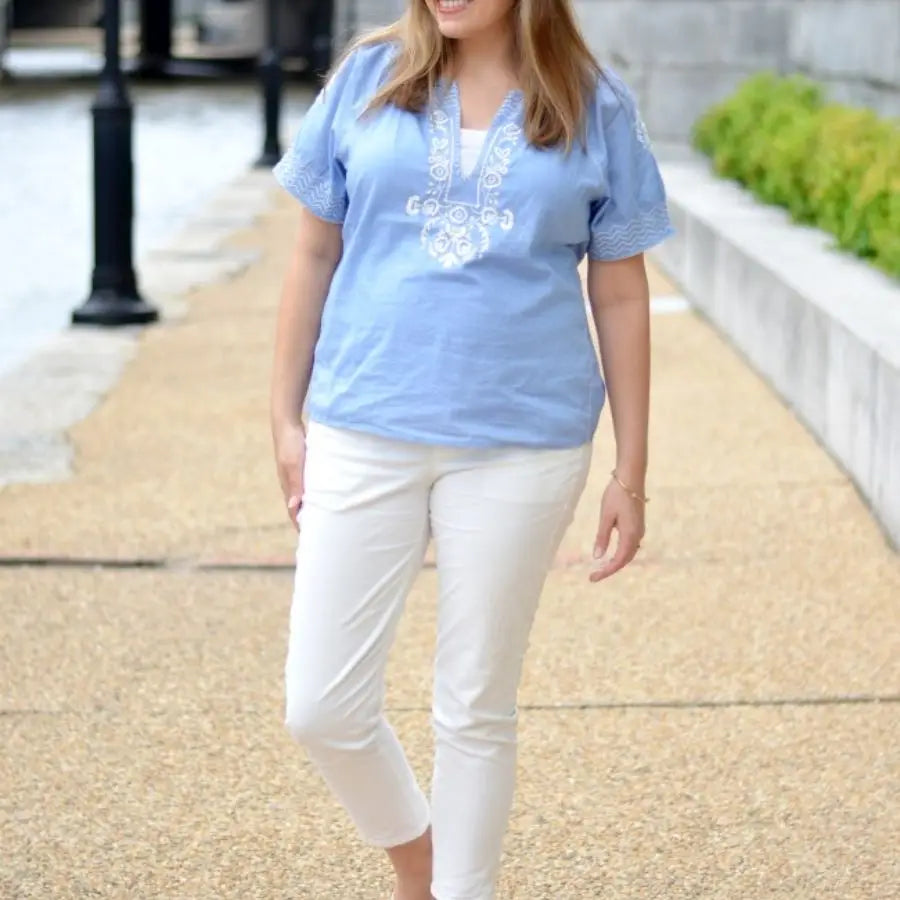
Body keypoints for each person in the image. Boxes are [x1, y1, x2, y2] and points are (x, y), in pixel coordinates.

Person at [269, 1, 672, 897]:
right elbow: (312, 252)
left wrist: (631, 472)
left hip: (523, 441)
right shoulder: (366, 79)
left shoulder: (595, 103)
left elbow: (620, 293)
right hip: (363, 418)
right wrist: (284, 420)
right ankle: (420, 857)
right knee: (321, 705)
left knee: (475, 707)